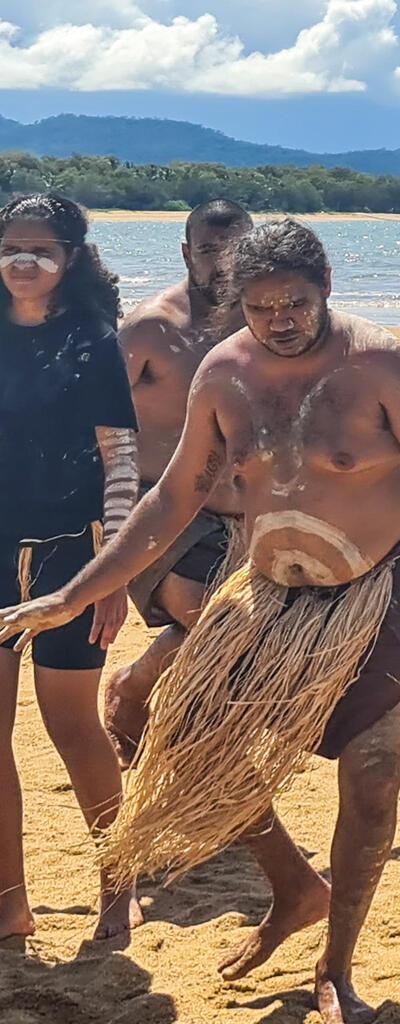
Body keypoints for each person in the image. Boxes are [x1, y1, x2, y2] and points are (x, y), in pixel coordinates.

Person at [0, 218, 400, 1024]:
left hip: (382, 584)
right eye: (263, 308)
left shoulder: (380, 366)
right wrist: (79, 591)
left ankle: (336, 969)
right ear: (239, 305)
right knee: (187, 744)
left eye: (296, 303)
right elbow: (172, 499)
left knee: (371, 782)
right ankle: (294, 886)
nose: (282, 321)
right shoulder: (224, 375)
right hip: (269, 590)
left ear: (326, 285)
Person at [0, 193, 141, 942]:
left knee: (73, 728)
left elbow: (122, 460)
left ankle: (117, 886)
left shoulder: (91, 339)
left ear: (71, 258)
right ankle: (10, 902)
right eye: (10, 246)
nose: (23, 261)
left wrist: (112, 572)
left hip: (69, 559)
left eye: (41, 249)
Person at [104, 198, 254, 765]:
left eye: (236, 249)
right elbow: (95, 422)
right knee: (219, 625)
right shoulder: (152, 328)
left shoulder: (264, 323)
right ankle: (199, 752)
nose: (223, 263)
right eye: (210, 250)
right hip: (160, 509)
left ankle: (133, 686)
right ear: (187, 253)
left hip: (244, 516)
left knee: (228, 631)